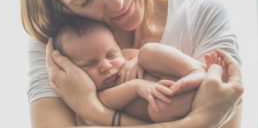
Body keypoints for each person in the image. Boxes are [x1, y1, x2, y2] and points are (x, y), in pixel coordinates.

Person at [20, 0, 244, 127]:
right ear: (63, 7)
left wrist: (94, 111)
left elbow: (226, 115)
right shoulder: (59, 46)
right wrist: (200, 121)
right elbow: (212, 116)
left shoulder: (200, 18)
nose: (116, 2)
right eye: (84, 0)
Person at [53, 16, 206, 123]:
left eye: (111, 55)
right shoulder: (98, 95)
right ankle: (204, 90)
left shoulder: (126, 56)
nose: (106, 67)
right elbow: (107, 103)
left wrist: (137, 60)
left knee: (148, 52)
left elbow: (153, 58)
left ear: (117, 45)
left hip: (176, 79)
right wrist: (137, 86)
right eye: (89, 64)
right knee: (158, 110)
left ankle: (195, 70)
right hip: (175, 103)